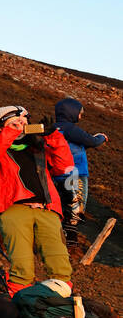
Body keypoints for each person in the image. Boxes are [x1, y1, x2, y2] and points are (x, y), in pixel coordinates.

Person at [0, 106, 76, 292]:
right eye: (14, 123)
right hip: (13, 209)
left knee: (59, 263)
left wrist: (53, 135)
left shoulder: (39, 145)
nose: (21, 126)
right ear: (1, 128)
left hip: (46, 208)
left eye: (23, 122)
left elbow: (65, 167)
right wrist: (10, 134)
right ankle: (20, 308)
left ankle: (60, 306)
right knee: (21, 265)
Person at [52, 97, 108, 245]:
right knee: (77, 207)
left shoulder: (54, 128)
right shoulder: (70, 128)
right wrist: (101, 137)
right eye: (79, 113)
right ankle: (70, 239)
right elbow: (91, 141)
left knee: (62, 204)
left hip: (57, 174)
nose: (81, 116)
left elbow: (72, 147)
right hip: (75, 173)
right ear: (71, 112)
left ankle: (61, 235)